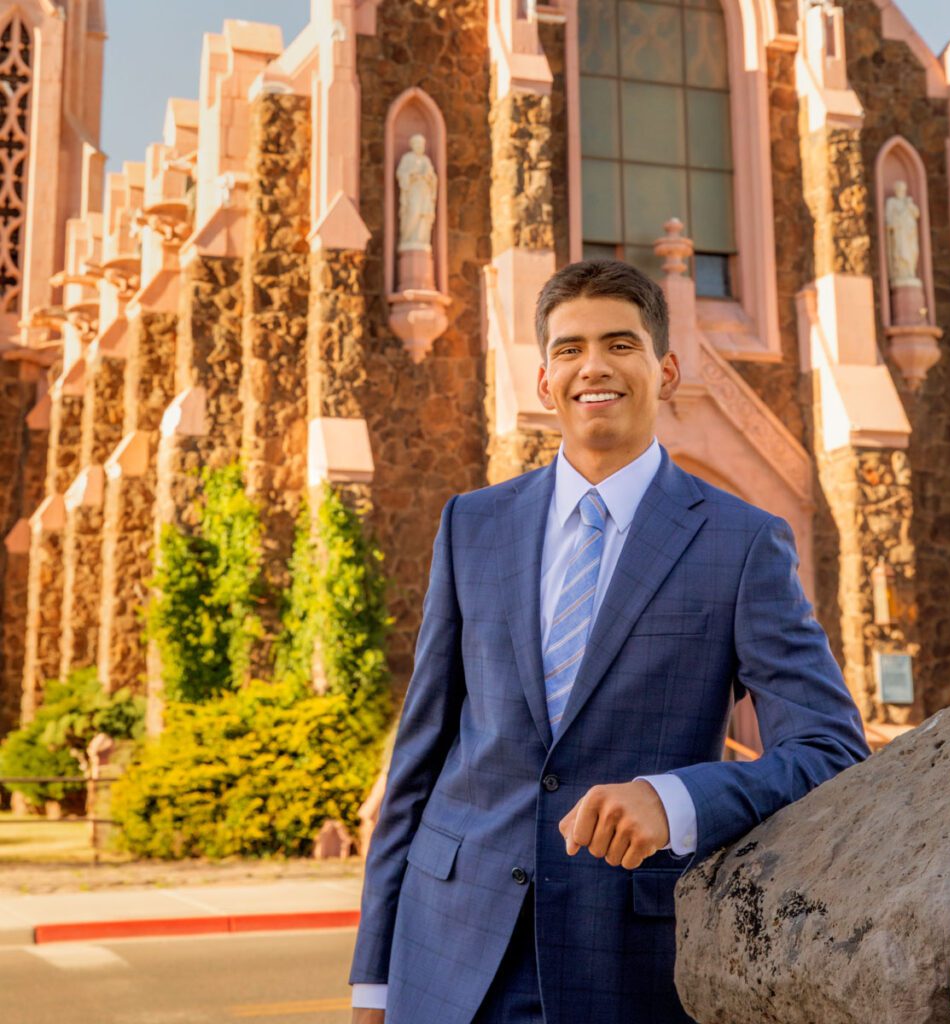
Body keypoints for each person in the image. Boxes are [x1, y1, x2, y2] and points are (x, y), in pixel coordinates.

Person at [348, 259, 871, 1023]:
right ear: (544, 381)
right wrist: (373, 983)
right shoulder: (472, 526)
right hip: (444, 954)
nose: (593, 365)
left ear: (665, 370)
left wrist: (677, 797)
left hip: (626, 965)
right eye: (569, 349)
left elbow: (830, 748)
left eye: (620, 344)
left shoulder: (743, 543)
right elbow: (418, 761)